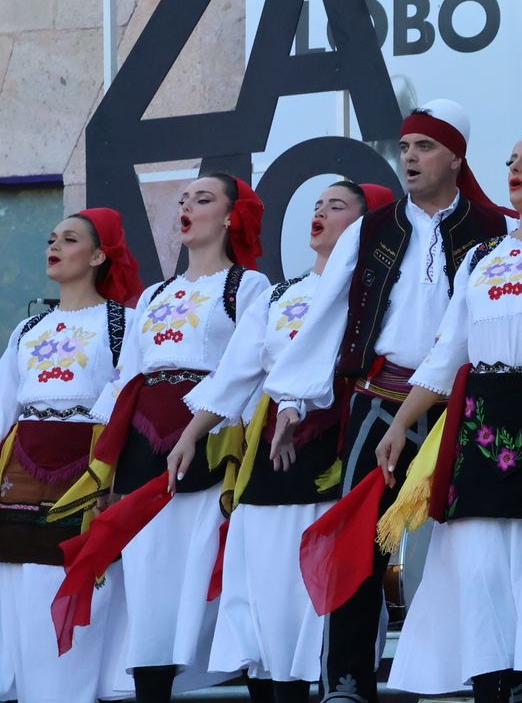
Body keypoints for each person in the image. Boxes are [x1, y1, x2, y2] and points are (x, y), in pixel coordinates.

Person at [263, 98, 508, 703]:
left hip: (461, 404)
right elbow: (326, 313)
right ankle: (347, 679)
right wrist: (294, 397)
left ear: (455, 156)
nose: (411, 158)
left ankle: (489, 676)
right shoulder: (374, 228)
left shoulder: (492, 229)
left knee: (475, 544)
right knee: (360, 541)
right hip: (378, 399)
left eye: (425, 147)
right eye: (405, 148)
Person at [375, 126, 522, 703]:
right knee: (478, 570)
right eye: (511, 158)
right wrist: (402, 423)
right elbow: (449, 348)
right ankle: (489, 683)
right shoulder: (482, 255)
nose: (516, 167)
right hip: (480, 422)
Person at [167, 180, 390, 703]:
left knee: (315, 590)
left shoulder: (373, 295)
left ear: (365, 226)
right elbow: (236, 373)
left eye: (336, 207)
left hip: (335, 447)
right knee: (263, 586)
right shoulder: (279, 294)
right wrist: (191, 434)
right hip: (269, 455)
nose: (320, 214)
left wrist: (301, 403)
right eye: (316, 205)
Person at [70, 175, 271, 703]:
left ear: (231, 217)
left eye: (203, 200)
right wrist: (100, 461)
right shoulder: (155, 295)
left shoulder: (248, 287)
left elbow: (253, 370)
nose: (188, 207)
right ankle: (151, 688)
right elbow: (126, 381)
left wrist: (242, 444)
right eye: (183, 200)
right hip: (145, 445)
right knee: (148, 582)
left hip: (214, 443)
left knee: (219, 576)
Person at [0, 209, 141, 703]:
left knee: (68, 594)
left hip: (87, 471)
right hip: (19, 474)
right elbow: (3, 404)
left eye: (70, 239)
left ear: (99, 255)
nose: (54, 247)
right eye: (51, 238)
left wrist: (114, 482)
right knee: (15, 592)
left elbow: (126, 403)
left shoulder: (125, 323)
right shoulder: (28, 330)